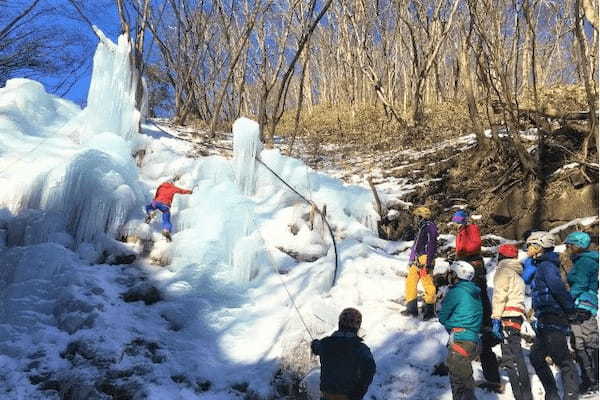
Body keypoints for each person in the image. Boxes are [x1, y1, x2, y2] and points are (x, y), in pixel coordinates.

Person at [450, 209, 501, 393]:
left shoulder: (471, 228)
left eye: (457, 220)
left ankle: (484, 318)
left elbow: (473, 246)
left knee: (477, 291)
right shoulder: (462, 230)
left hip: (473, 263)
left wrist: (462, 253)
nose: (456, 224)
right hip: (465, 262)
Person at [527, 231, 579, 400]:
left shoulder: (547, 266)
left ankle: (571, 395)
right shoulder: (541, 265)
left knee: (562, 358)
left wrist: (570, 310)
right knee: (536, 357)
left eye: (531, 246)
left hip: (553, 316)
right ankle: (552, 394)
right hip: (544, 318)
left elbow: (558, 289)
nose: (528, 249)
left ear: (541, 247)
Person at [490, 244, 533, 400]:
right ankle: (526, 393)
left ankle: (520, 395)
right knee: (517, 354)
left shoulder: (503, 271)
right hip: (516, 315)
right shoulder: (517, 274)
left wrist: (495, 317)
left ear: (501, 256)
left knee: (510, 358)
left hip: (506, 315)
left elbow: (499, 296)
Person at [438, 260, 483, 400]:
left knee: (461, 386)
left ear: (457, 275)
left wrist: (449, 324)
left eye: (451, 274)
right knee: (463, 382)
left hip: (460, 340)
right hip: (474, 341)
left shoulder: (456, 292)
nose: (449, 276)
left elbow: (443, 316)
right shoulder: (475, 292)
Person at [311, 308, 376, 400]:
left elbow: (316, 348)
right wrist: (359, 392)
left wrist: (314, 343)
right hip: (348, 396)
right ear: (357, 327)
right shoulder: (361, 349)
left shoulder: (325, 343)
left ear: (340, 324)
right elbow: (370, 369)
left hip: (326, 396)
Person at [564, 231, 599, 395]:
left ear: (577, 245)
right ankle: (589, 380)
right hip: (583, 303)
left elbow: (581, 283)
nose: (568, 249)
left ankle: (594, 381)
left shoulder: (585, 261)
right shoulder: (583, 260)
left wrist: (566, 299)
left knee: (587, 343)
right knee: (579, 344)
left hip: (582, 304)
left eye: (569, 245)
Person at [402, 206, 438, 320]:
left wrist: (428, 262)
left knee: (427, 284)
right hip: (417, 260)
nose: (415, 219)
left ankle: (430, 311)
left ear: (421, 216)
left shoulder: (430, 226)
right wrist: (411, 260)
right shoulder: (421, 227)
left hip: (425, 259)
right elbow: (415, 245)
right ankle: (411, 309)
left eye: (417, 216)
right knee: (410, 282)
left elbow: (432, 244)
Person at [145, 177, 193, 242]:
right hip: (165, 205)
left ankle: (150, 212)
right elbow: (182, 191)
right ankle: (166, 230)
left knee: (148, 207)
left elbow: (157, 194)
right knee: (166, 219)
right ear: (171, 183)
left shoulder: (161, 186)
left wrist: (154, 202)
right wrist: (190, 192)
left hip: (156, 202)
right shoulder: (173, 187)